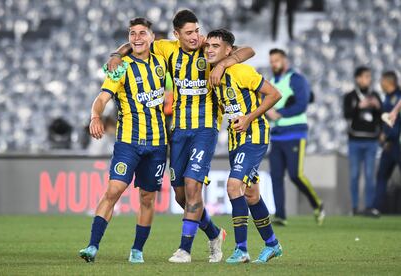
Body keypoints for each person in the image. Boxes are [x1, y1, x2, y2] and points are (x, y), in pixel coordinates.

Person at [107, 9, 255, 263]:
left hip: (205, 130)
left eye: (197, 30)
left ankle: (184, 249)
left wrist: (222, 63)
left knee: (192, 186)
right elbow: (137, 42)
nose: (196, 37)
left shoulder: (209, 48)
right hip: (177, 131)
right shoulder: (166, 48)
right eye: (189, 33)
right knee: (181, 196)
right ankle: (214, 233)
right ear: (177, 34)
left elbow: (247, 50)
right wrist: (117, 54)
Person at [79, 18, 168, 264]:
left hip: (158, 144)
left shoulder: (163, 61)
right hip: (128, 142)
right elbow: (102, 97)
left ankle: (137, 250)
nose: (137, 37)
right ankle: (92, 246)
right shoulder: (121, 68)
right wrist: (95, 116)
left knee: (147, 199)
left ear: (152, 37)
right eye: (132, 33)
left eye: (142, 33)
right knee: (114, 190)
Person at [205, 29, 283, 263]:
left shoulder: (241, 70)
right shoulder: (210, 69)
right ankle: (272, 244)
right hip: (235, 138)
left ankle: (241, 249)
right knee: (251, 194)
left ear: (229, 50)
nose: (209, 49)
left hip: (254, 134)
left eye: (216, 46)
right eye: (208, 45)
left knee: (233, 186)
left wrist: (249, 117)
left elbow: (274, 94)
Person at [266, 48, 324, 226]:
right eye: (272, 61)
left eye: (276, 60)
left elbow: (302, 104)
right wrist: (268, 112)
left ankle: (317, 204)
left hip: (295, 133)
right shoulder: (271, 82)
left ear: (285, 61)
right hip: (277, 136)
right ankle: (281, 216)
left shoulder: (296, 79)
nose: (273, 63)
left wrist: (279, 113)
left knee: (295, 174)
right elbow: (264, 106)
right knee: (276, 176)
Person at [343, 66, 382, 215]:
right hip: (355, 140)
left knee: (370, 175)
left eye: (369, 77)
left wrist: (378, 108)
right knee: (354, 175)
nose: (368, 79)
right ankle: (354, 208)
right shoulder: (350, 96)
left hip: (372, 140)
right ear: (357, 78)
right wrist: (359, 106)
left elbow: (382, 116)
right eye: (365, 76)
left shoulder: (375, 95)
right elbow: (346, 114)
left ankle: (369, 207)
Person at [372, 71, 401, 216]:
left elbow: (397, 123)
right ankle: (376, 208)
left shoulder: (398, 97)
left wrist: (388, 137)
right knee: (382, 175)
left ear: (388, 81)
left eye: (382, 81)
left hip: (397, 143)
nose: (380, 83)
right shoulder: (388, 98)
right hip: (389, 145)